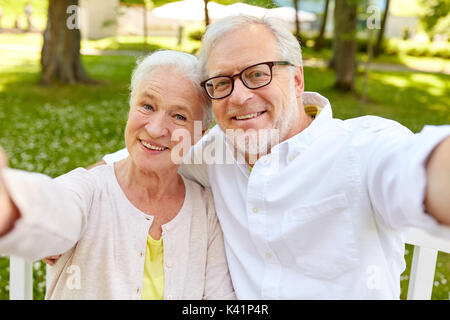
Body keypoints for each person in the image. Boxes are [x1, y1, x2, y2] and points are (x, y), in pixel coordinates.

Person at [101, 14, 450, 299]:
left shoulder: (363, 149)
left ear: (297, 80)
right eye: (222, 82)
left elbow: (419, 168)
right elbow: (130, 161)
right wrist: (71, 211)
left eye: (256, 74)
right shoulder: (214, 152)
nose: (238, 97)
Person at [0, 50, 235, 300]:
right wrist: (10, 202)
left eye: (179, 116)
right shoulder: (89, 190)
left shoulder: (206, 210)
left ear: (200, 132)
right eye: (147, 106)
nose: (155, 129)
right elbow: (57, 210)